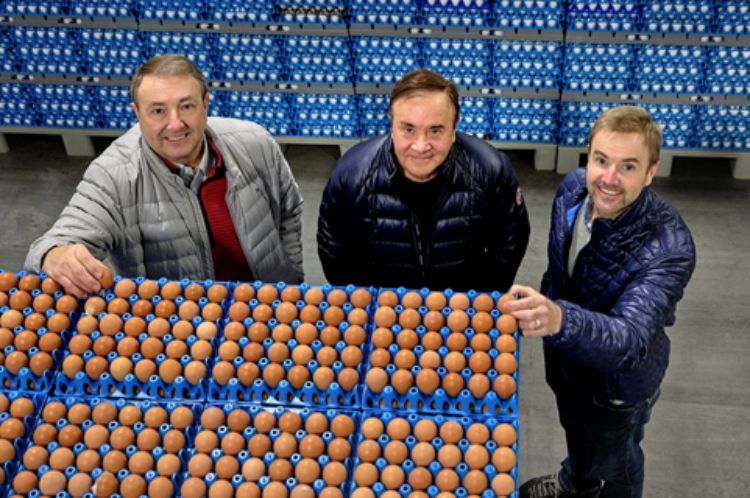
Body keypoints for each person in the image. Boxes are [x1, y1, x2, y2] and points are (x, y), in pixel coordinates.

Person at [504, 106, 696, 498]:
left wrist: (558, 319)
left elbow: (629, 339)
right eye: (601, 160)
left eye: (628, 166)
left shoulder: (669, 247)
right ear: (588, 154)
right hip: (566, 356)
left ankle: (598, 485)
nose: (609, 179)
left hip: (616, 385)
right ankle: (578, 481)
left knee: (617, 462)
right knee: (579, 432)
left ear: (650, 171)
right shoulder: (572, 191)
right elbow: (561, 272)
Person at [25, 54, 303, 296]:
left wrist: (290, 279)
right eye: (158, 110)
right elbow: (59, 239)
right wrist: (56, 255)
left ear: (205, 104)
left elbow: (289, 212)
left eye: (186, 106)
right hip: (180, 326)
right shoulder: (114, 175)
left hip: (266, 308)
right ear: (137, 114)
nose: (175, 123)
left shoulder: (255, 144)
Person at [317, 69, 530, 291]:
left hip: (461, 308)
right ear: (392, 124)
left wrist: (478, 301)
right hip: (384, 311)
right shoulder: (351, 176)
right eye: (408, 129)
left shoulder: (491, 171)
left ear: (454, 127)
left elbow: (510, 244)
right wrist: (370, 305)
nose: (421, 146)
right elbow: (335, 253)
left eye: (435, 130)